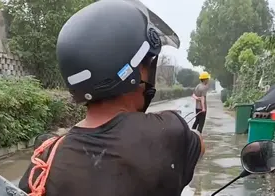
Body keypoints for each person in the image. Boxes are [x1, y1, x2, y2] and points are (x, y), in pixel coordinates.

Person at [18, 1, 205, 196]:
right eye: (147, 63)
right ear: (136, 70)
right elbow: (199, 145)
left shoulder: (45, 159)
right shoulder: (167, 131)